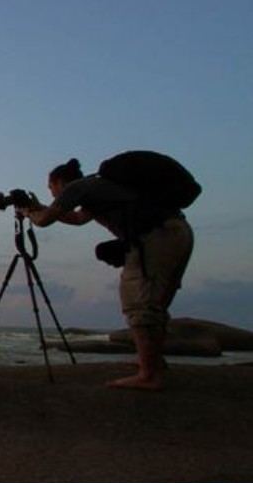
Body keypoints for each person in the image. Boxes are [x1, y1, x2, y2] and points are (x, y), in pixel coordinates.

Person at [21, 158, 194, 391]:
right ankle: (153, 363)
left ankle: (149, 375)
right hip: (173, 234)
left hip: (156, 238)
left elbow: (43, 221)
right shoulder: (96, 188)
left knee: (138, 303)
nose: (51, 193)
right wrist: (40, 208)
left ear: (59, 181)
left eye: (50, 187)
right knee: (154, 303)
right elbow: (78, 219)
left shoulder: (77, 188)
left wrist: (28, 211)